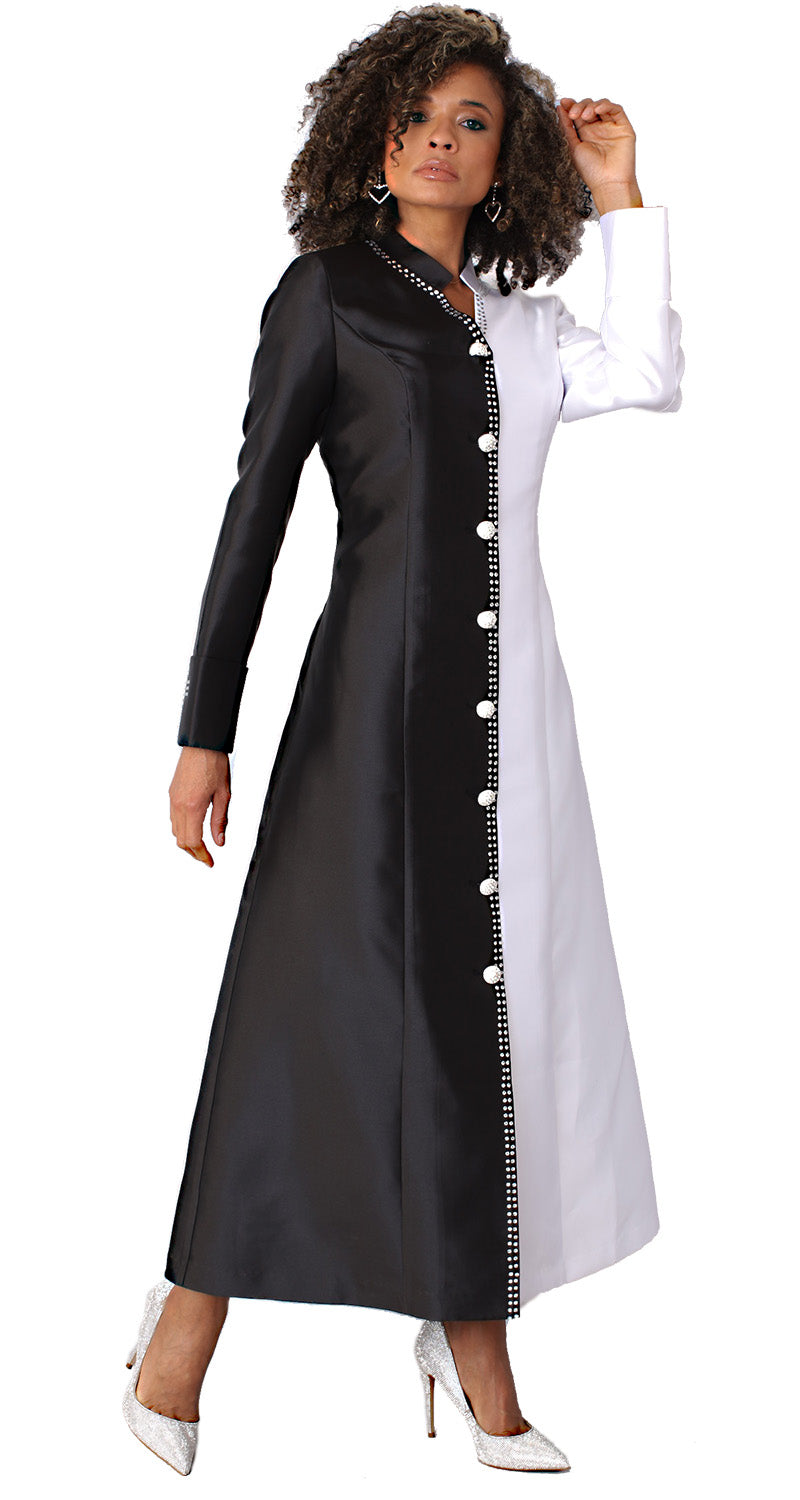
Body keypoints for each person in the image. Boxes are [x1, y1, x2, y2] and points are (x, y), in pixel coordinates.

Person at [122, 3, 684, 1476]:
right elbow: (254, 514)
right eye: (418, 116)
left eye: (474, 122)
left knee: (484, 1017)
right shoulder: (327, 294)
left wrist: (624, 200)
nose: (442, 139)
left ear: (505, 163)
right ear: (374, 139)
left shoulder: (524, 325)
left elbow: (649, 372)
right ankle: (185, 1327)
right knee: (297, 1010)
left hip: (510, 732)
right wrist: (204, 732)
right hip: (363, 717)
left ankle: (469, 1331)